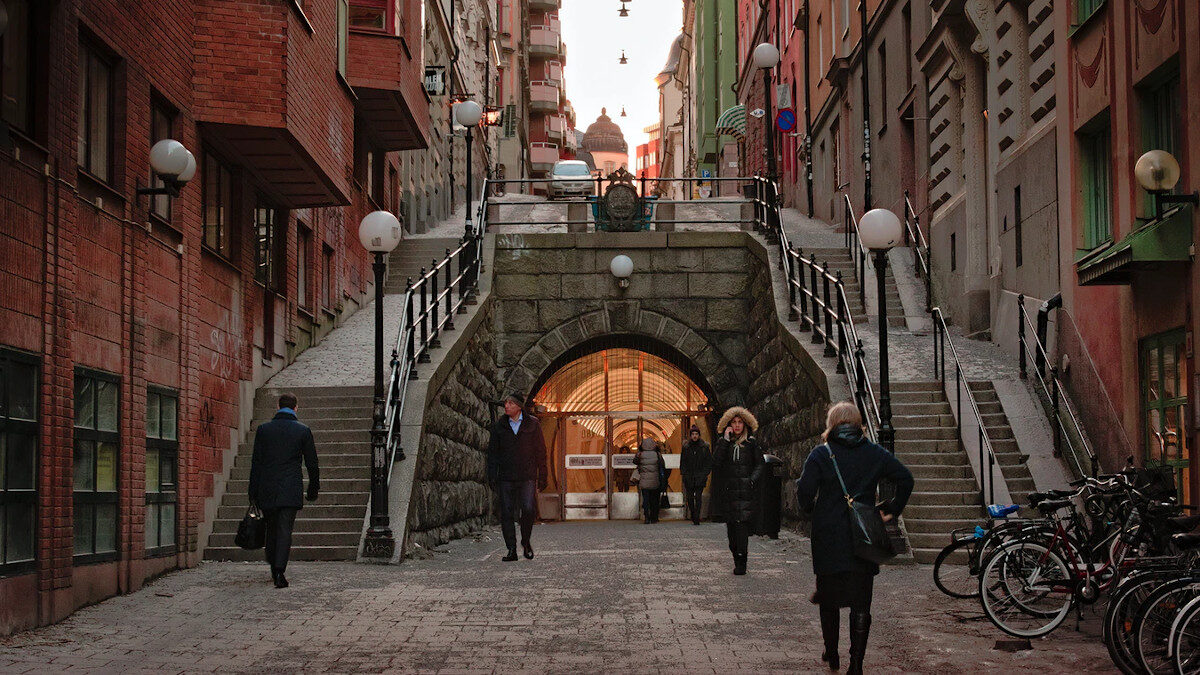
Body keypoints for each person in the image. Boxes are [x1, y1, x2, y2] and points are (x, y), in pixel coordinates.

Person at [794, 402, 914, 674]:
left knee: (828, 598)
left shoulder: (821, 454)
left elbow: (804, 494)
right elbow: (906, 479)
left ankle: (832, 654)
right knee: (861, 601)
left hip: (828, 537)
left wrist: (814, 509)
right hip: (865, 535)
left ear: (832, 424)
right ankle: (856, 663)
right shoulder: (874, 453)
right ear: (858, 423)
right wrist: (890, 509)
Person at [248, 392, 319, 589]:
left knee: (272, 528)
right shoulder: (303, 431)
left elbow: (257, 463)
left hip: (267, 488)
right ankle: (280, 571)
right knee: (284, 529)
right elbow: (312, 463)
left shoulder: (264, 430)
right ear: (296, 408)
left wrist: (252, 492)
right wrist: (313, 487)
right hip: (290, 488)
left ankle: (273, 565)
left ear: (278, 407)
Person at [486, 393, 548, 561]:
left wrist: (543, 475)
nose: (506, 406)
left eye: (510, 403)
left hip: (527, 475)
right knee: (506, 513)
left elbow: (541, 452)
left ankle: (525, 541)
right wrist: (492, 475)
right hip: (506, 476)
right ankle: (511, 549)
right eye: (505, 403)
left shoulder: (533, 424)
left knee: (528, 509)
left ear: (519, 406)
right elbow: (493, 453)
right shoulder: (499, 426)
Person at [713, 406, 766, 575]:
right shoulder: (724, 443)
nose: (737, 426)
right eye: (734, 422)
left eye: (740, 422)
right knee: (732, 534)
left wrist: (752, 480)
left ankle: (742, 562)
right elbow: (716, 463)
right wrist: (725, 440)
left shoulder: (751, 443)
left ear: (744, 425)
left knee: (741, 529)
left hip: (745, 494)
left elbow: (759, 464)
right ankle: (736, 557)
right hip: (729, 494)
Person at [680, 425, 712, 525]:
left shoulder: (704, 447)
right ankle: (693, 514)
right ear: (690, 435)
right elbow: (683, 462)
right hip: (689, 476)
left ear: (699, 435)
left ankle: (696, 517)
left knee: (698, 497)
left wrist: (704, 473)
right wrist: (684, 473)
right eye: (693, 434)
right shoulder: (686, 447)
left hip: (700, 476)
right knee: (690, 498)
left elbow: (708, 462)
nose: (694, 436)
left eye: (696, 434)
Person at [634, 438, 666, 524]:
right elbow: (662, 465)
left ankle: (646, 517)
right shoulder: (657, 454)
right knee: (654, 499)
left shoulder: (640, 454)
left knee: (646, 500)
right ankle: (654, 517)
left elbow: (635, 462)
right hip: (655, 480)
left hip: (644, 480)